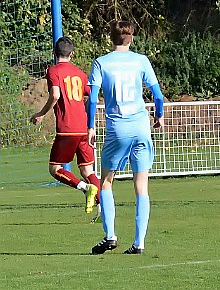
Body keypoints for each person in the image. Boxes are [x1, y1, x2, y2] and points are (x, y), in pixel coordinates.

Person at [88, 20, 164, 255]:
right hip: (141, 126)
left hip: (118, 128)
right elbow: (157, 94)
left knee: (107, 181)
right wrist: (159, 115)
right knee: (141, 185)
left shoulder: (101, 62)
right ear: (131, 38)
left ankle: (110, 235)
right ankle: (139, 242)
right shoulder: (141, 60)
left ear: (111, 38)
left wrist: (91, 126)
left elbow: (92, 99)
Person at [30, 36, 100, 214]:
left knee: (55, 169)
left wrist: (41, 114)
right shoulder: (80, 74)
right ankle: (105, 209)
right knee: (88, 170)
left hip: (67, 129)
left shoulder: (53, 71)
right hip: (83, 128)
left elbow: (55, 95)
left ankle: (84, 188)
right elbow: (92, 97)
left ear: (55, 52)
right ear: (72, 54)